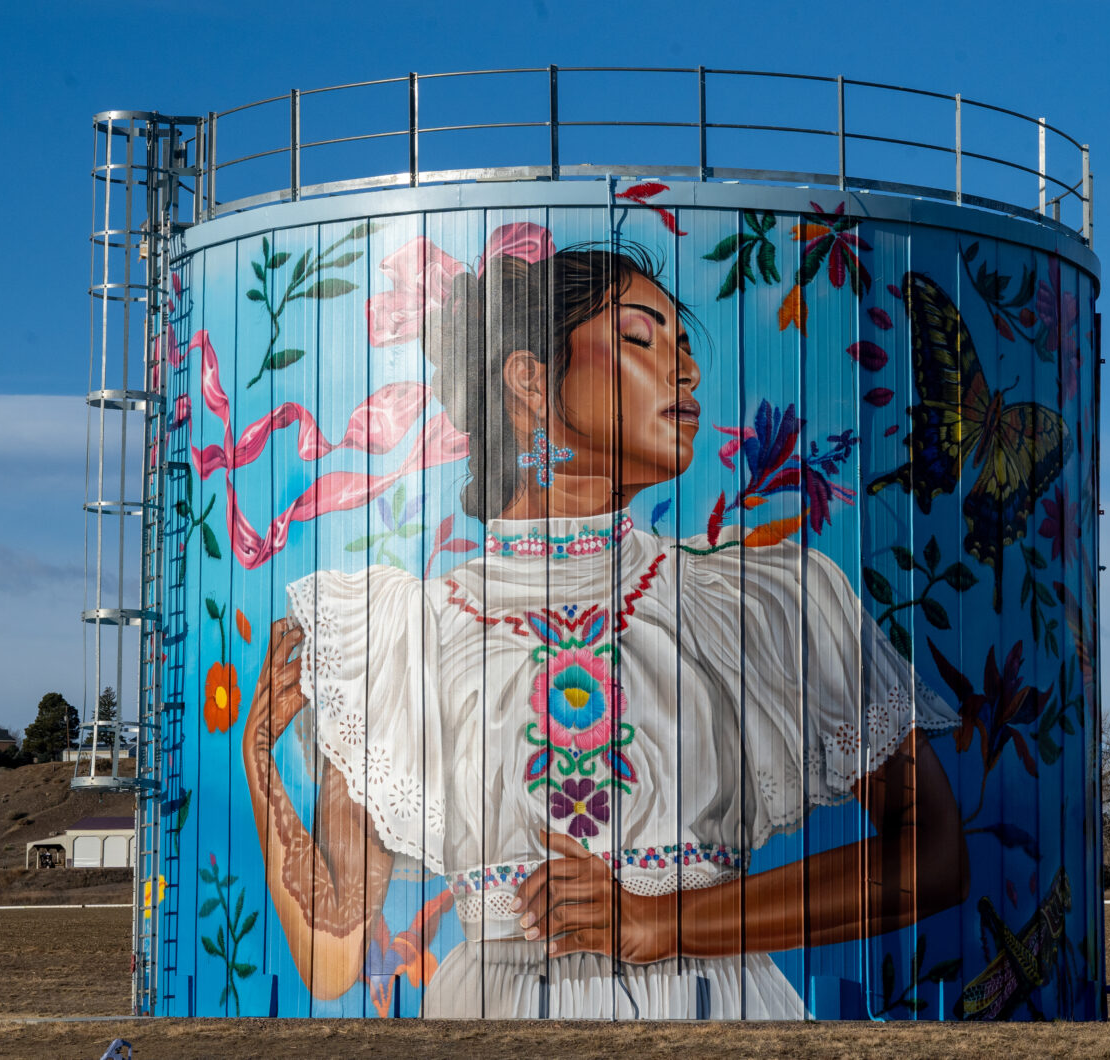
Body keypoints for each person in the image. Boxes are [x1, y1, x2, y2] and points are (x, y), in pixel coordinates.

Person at [244, 238, 968, 1019]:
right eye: (641, 339)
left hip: (713, 1019)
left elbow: (933, 856)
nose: (688, 372)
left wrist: (663, 923)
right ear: (529, 379)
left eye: (685, 346)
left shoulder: (763, 599)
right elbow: (332, 958)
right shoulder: (402, 632)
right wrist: (259, 764)